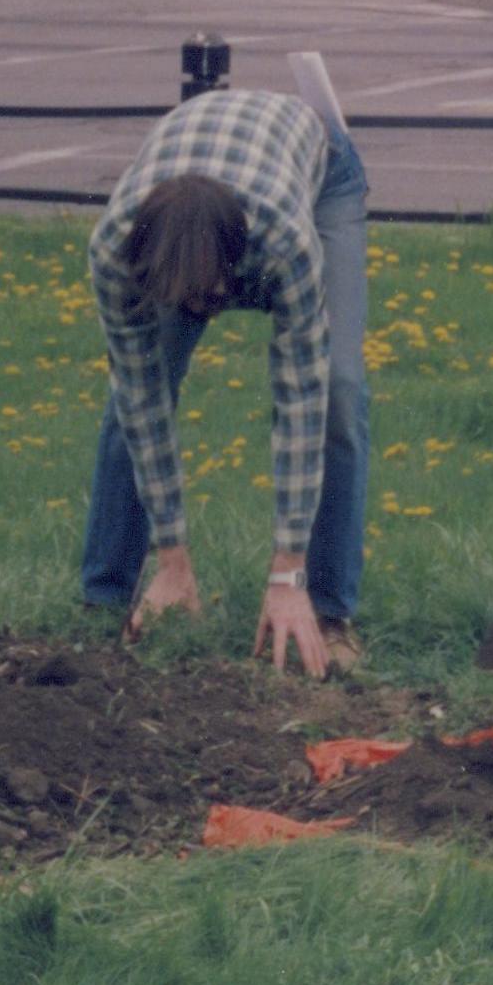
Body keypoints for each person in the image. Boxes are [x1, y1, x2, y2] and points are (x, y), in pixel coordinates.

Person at [81, 85, 374, 680]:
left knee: (340, 393)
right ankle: (107, 599)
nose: (200, 311)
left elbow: (301, 400)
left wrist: (285, 572)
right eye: (181, 298)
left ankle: (329, 610)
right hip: (201, 167)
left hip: (320, 173)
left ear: (235, 268)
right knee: (133, 394)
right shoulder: (115, 249)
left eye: (204, 296)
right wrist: (174, 555)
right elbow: (143, 400)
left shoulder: (285, 243)